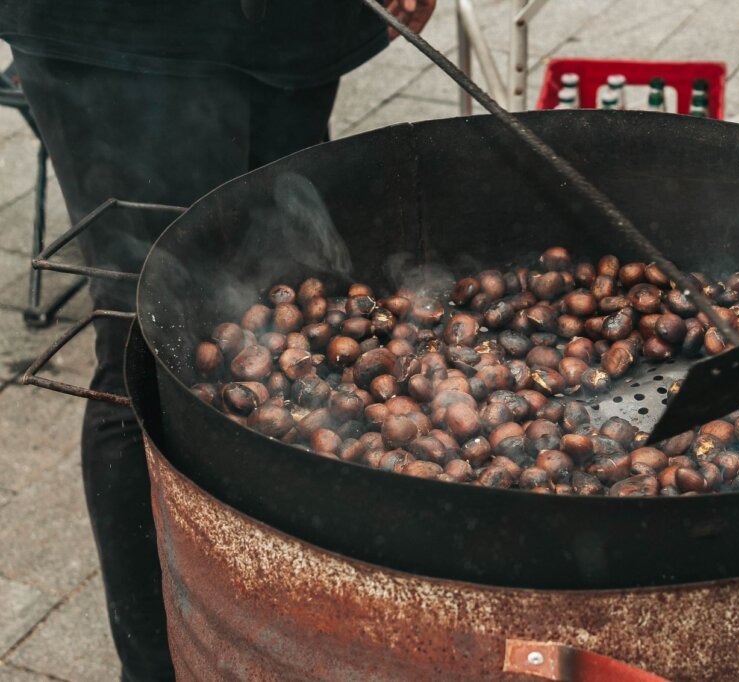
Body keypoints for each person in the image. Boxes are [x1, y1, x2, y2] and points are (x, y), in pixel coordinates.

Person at [0, 1, 435, 679]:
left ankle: (261, 630)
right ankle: (157, 665)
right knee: (142, 352)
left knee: (280, 319)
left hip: (287, 30)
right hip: (119, 40)